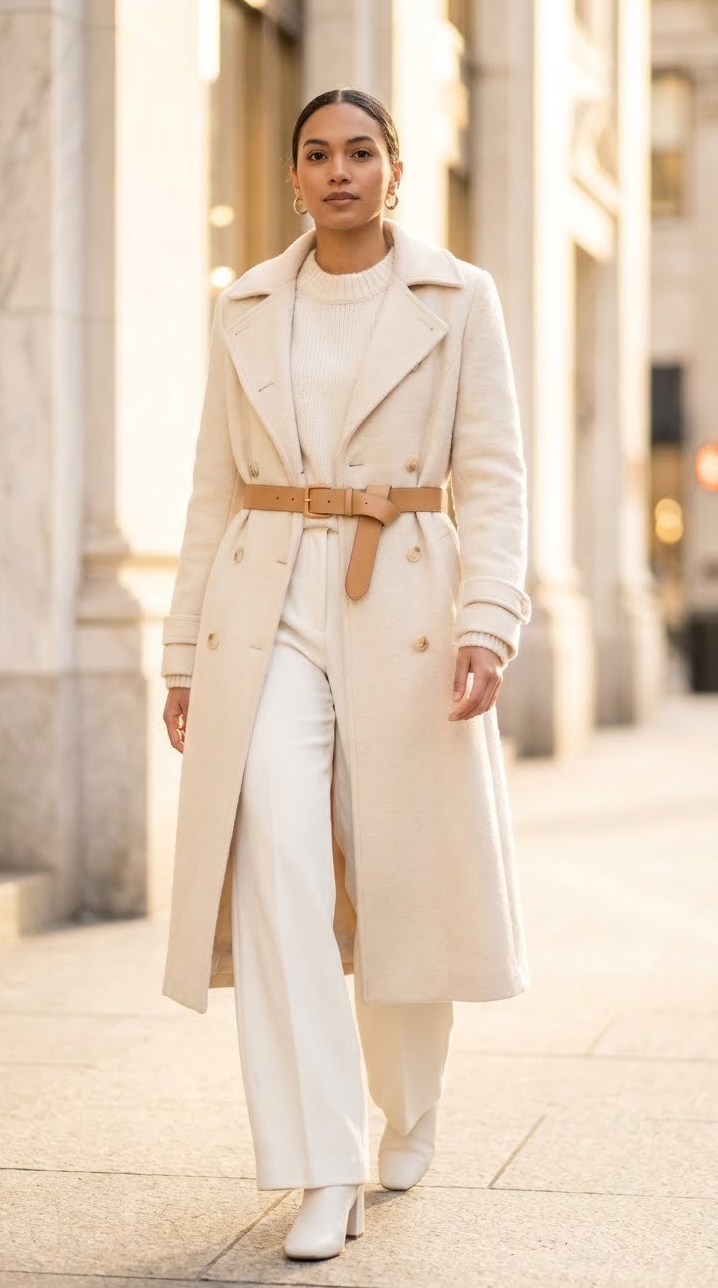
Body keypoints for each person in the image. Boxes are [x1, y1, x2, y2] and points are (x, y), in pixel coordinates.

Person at [161, 87, 532, 1262]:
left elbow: (494, 475)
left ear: (395, 171)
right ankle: (323, 1164)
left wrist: (489, 621)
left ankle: (410, 1106)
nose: (338, 171)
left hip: (403, 598)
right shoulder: (245, 305)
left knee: (398, 870)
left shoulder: (459, 297)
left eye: (360, 152)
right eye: (316, 154)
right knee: (278, 860)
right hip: (265, 603)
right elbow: (212, 490)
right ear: (292, 177)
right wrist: (181, 651)